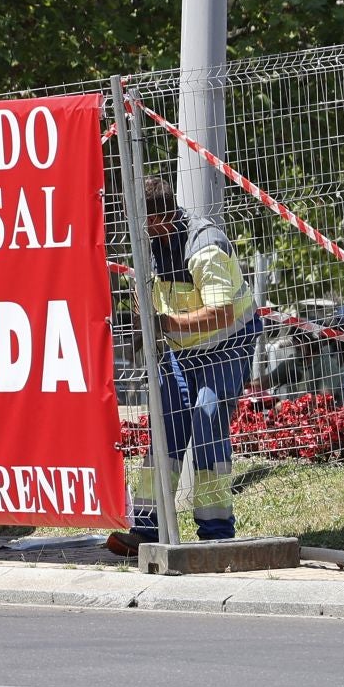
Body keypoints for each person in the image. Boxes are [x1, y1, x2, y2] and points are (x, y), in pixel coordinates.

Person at [109, 175, 262, 555]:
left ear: (155, 218)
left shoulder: (204, 245)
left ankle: (216, 534)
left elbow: (222, 313)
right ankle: (147, 528)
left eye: (135, 218)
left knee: (207, 419)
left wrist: (163, 324)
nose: (131, 225)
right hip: (181, 350)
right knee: (167, 427)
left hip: (227, 344)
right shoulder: (151, 243)